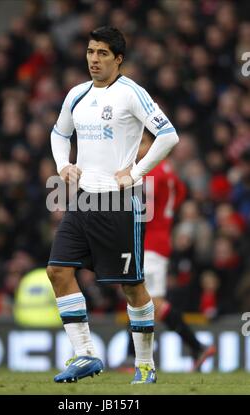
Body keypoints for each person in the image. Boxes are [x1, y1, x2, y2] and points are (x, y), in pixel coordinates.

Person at [47, 27, 179, 384]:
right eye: (91, 51)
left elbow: (168, 135)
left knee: (133, 287)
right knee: (57, 271)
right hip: (83, 200)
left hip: (120, 203)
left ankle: (146, 364)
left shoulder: (131, 93)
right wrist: (63, 165)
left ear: (118, 59)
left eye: (102, 53)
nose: (94, 59)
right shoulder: (76, 95)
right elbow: (59, 133)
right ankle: (86, 354)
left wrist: (136, 172)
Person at [123, 131, 216, 372]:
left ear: (153, 144)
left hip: (151, 243)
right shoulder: (170, 173)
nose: (137, 147)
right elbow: (179, 197)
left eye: (141, 142)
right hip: (160, 240)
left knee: (145, 300)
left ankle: (136, 356)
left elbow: (140, 204)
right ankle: (195, 347)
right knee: (145, 299)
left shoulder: (150, 173)